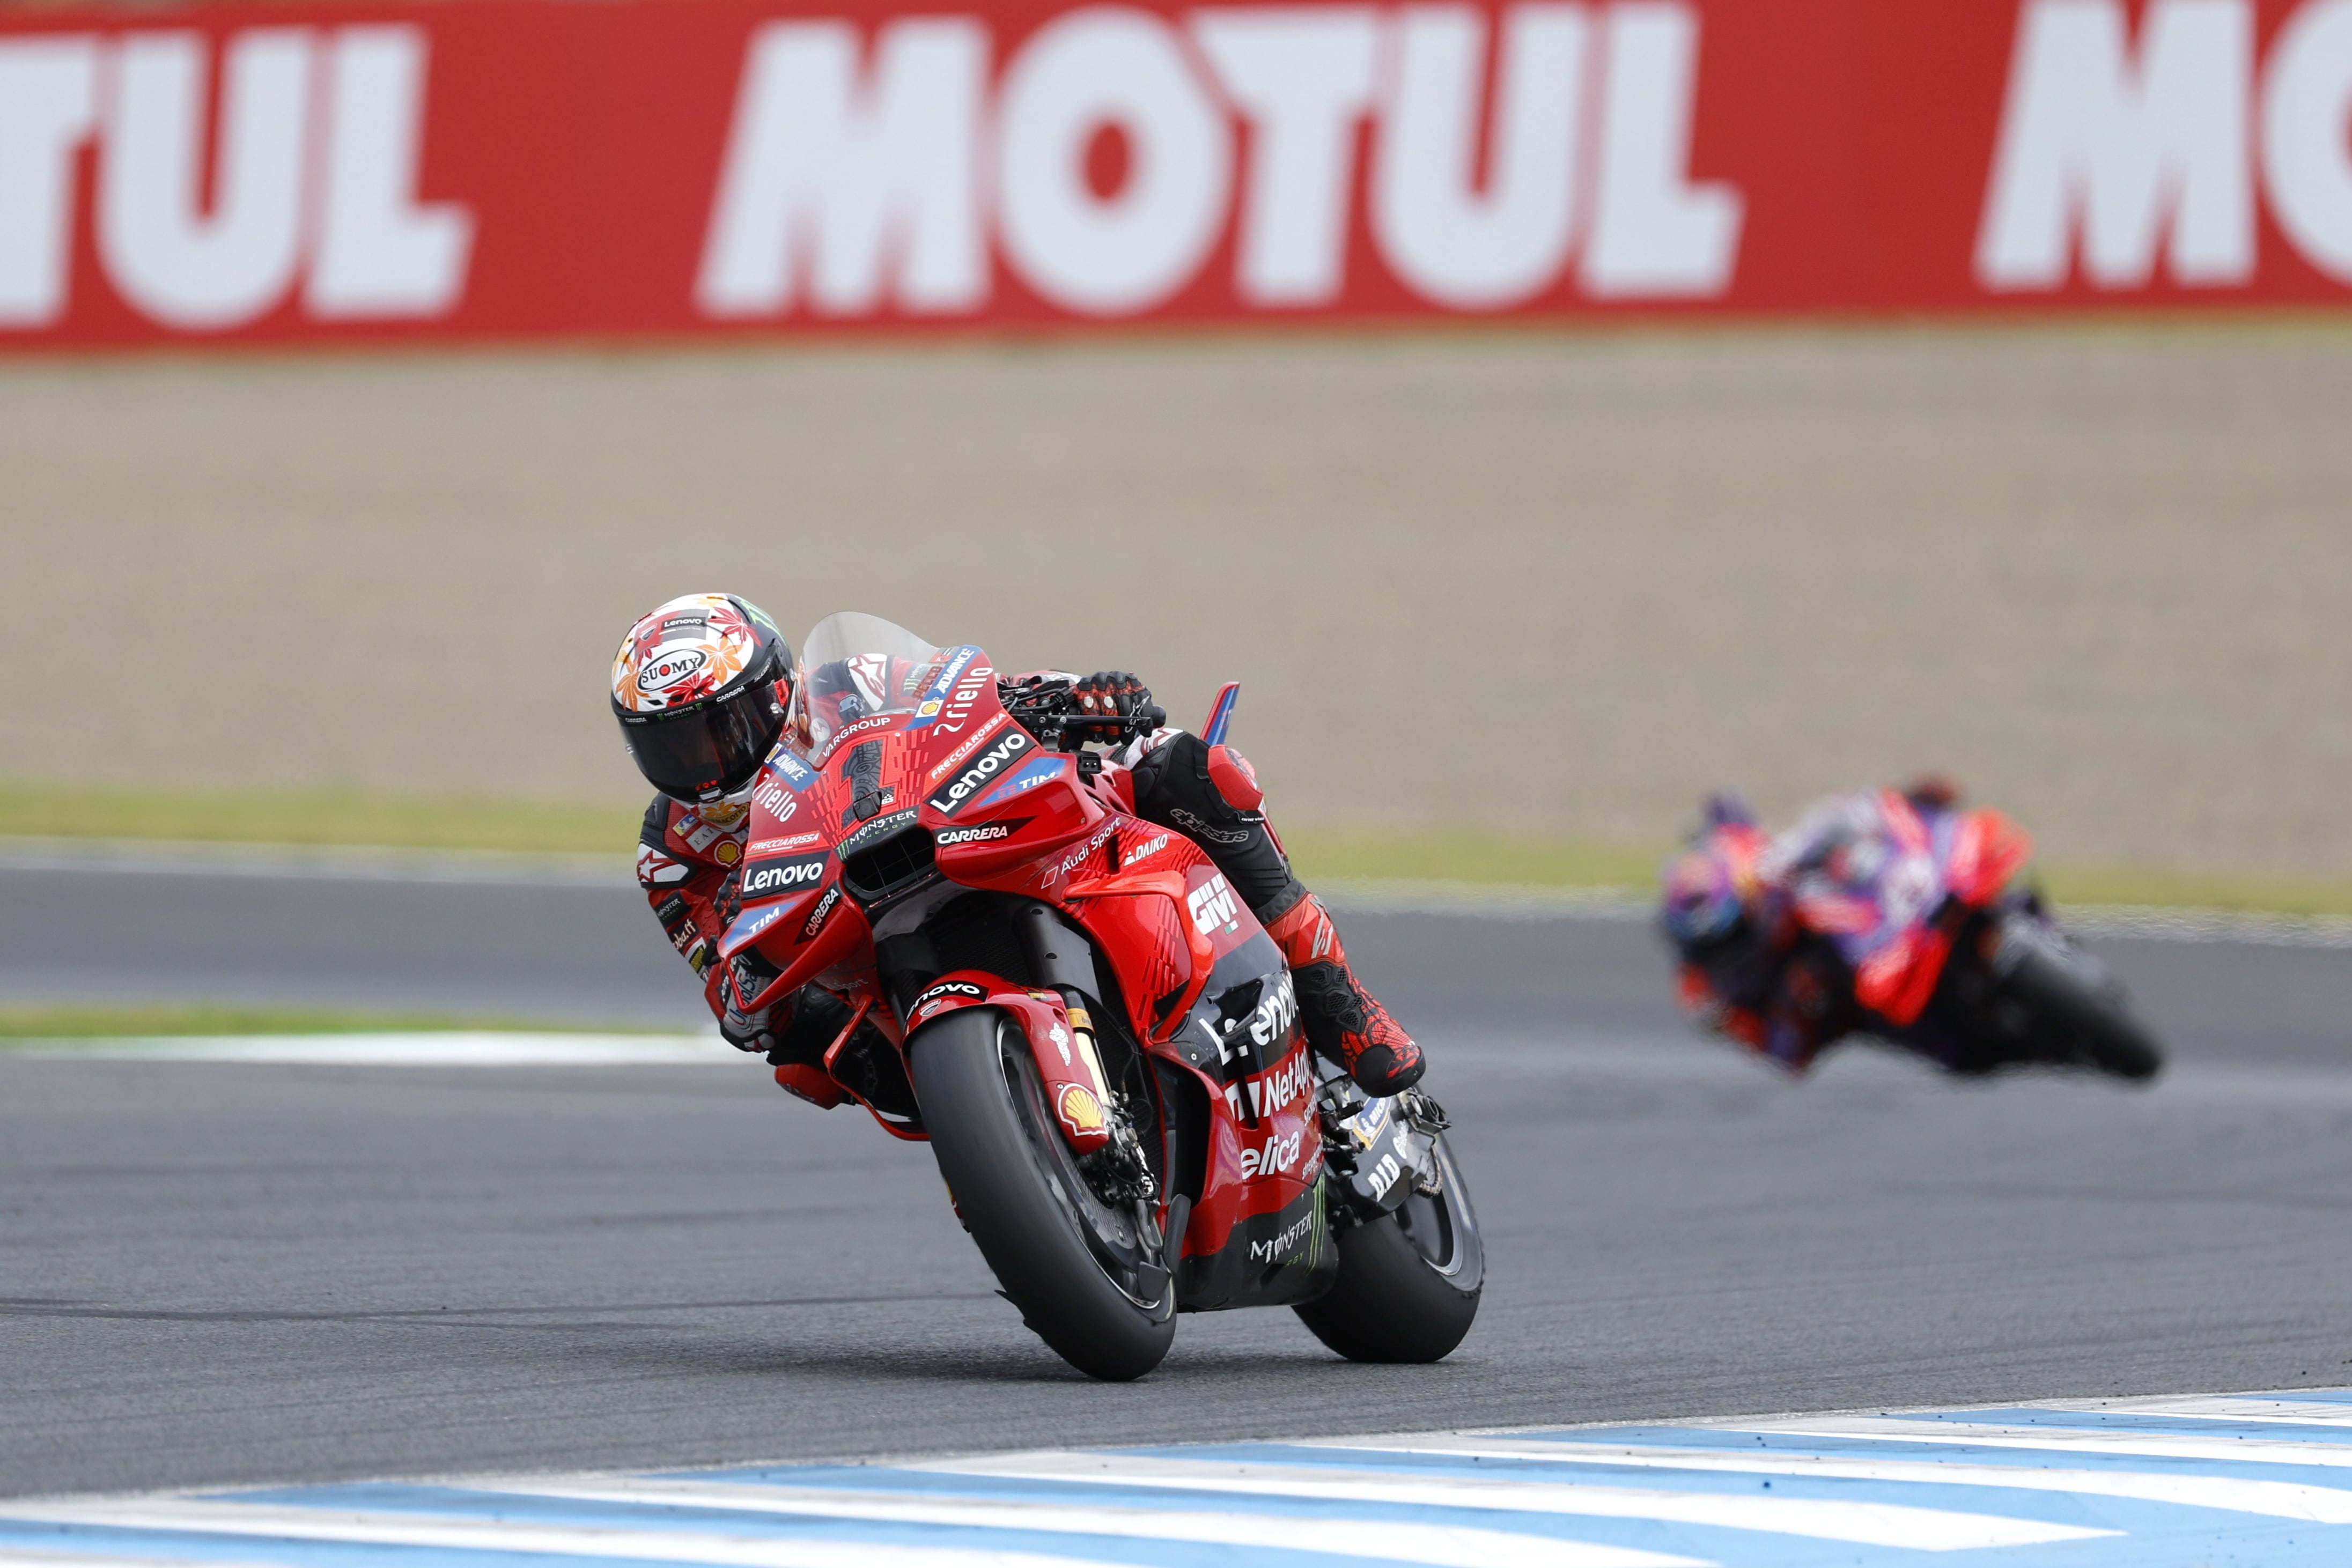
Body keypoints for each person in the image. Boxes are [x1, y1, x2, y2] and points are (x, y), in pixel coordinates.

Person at [610, 594, 1424, 1100]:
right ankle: (1010, 1146)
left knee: (1193, 771)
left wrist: (1072, 696)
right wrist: (748, 1003)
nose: (705, 763)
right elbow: (720, 972)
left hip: (955, 832)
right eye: (675, 747)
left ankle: (1338, 1002)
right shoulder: (674, 849)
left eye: (723, 729)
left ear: (778, 690)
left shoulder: (847, 682)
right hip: (850, 947)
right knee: (804, 1061)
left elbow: (970, 697)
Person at [1660, 778, 1963, 1074]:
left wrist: (1842, 823)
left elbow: (1767, 832)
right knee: (1876, 1006)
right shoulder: (1705, 987)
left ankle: (1927, 822)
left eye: (1734, 933)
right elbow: (1786, 1054)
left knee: (1857, 837)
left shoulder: (1741, 859)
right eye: (1723, 941)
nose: (1729, 946)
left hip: (1817, 902)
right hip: (1827, 982)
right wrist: (1793, 1013)